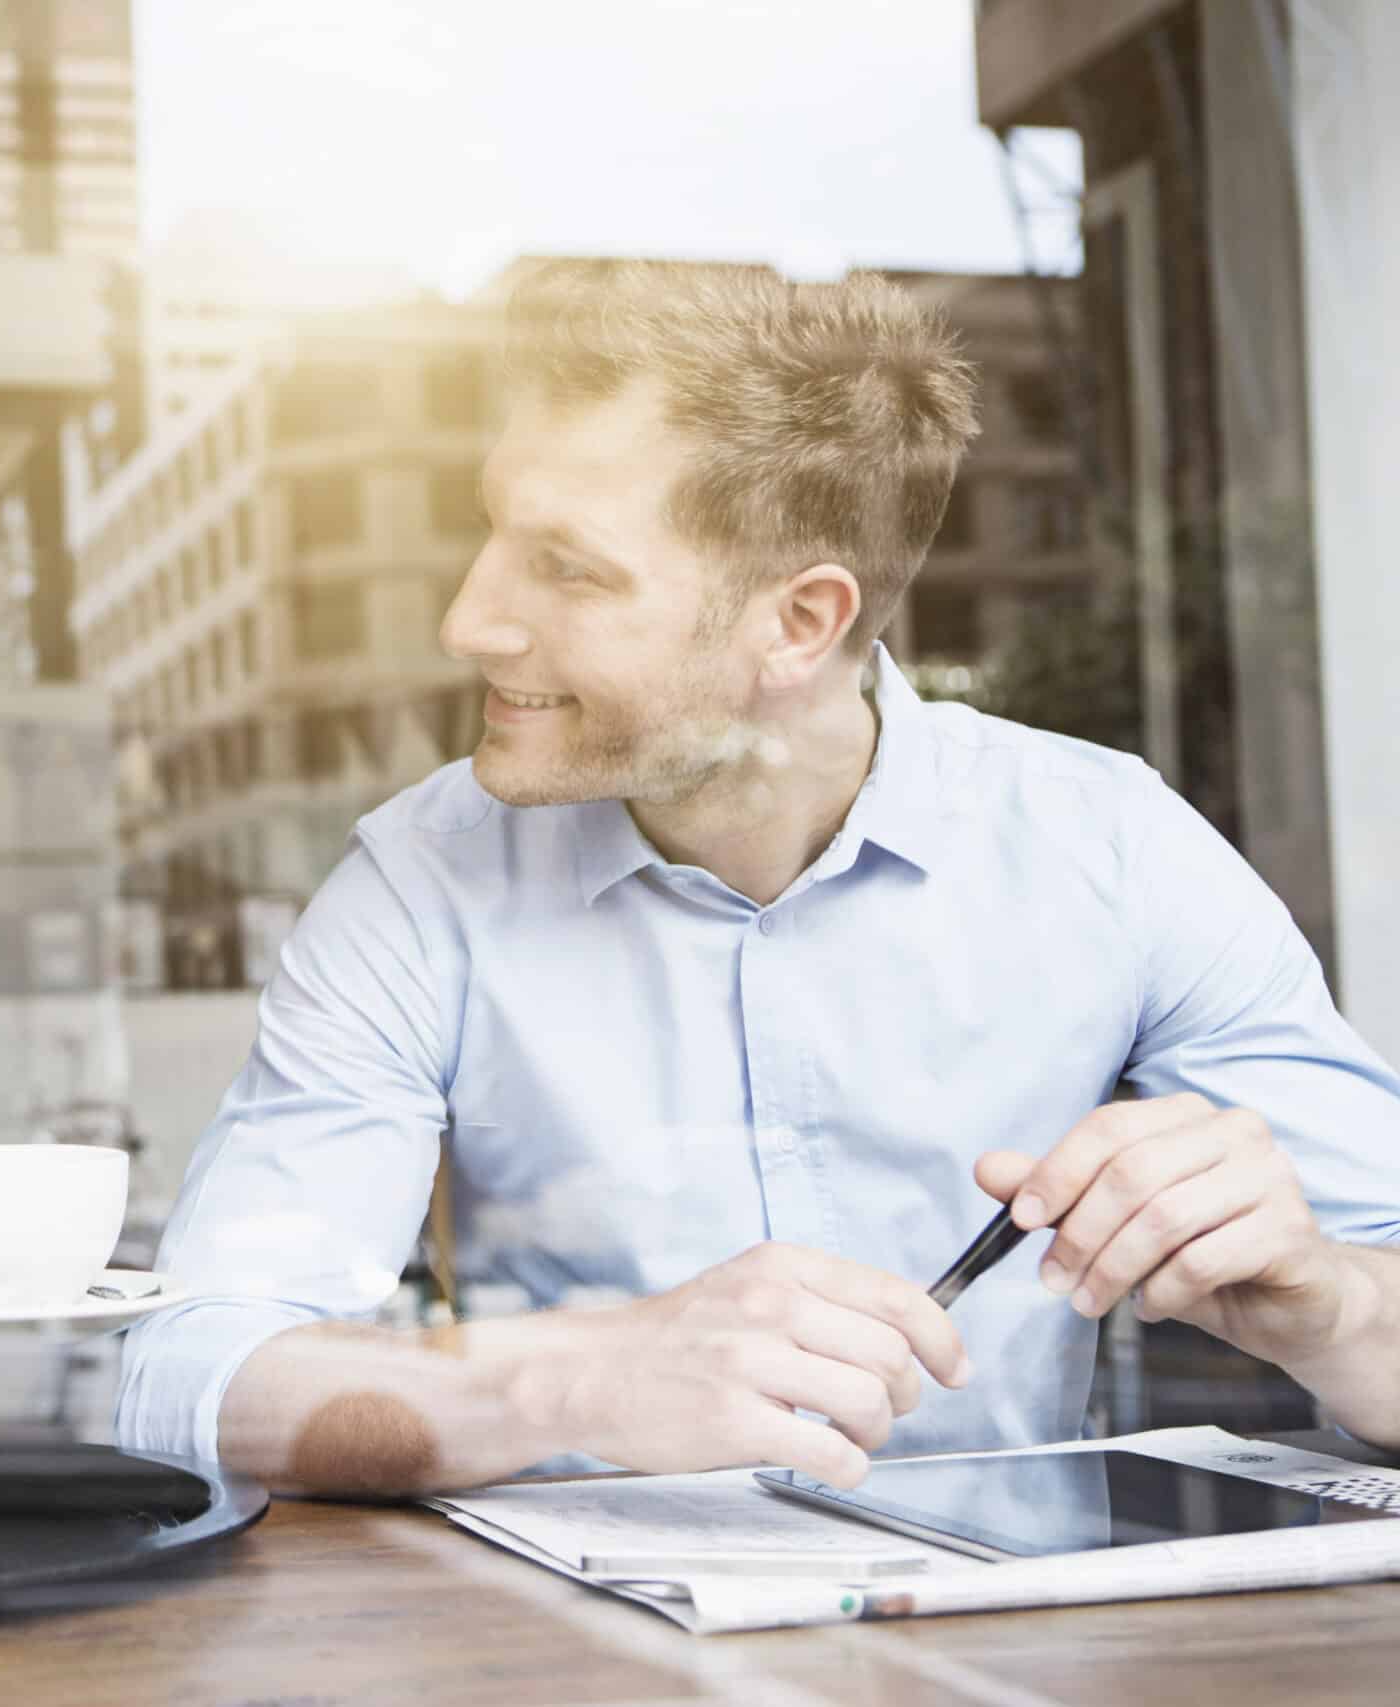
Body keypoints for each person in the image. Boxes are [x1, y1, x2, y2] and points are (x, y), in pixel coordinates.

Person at [114, 260, 1400, 1497]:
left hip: (1019, 1652)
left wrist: (1331, 1304)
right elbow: (186, 1377)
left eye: (567, 567)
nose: (469, 620)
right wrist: (566, 1383)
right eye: (491, 531)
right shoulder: (420, 881)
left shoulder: (1111, 846)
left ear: (799, 623)